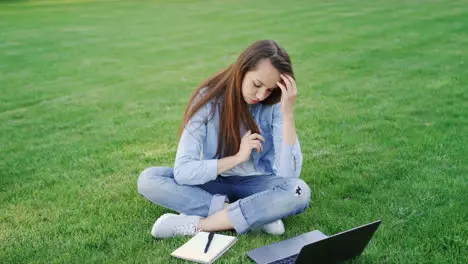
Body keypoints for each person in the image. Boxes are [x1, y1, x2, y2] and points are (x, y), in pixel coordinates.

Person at [137, 40, 311, 239]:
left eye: (270, 90)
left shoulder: (275, 106)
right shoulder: (208, 99)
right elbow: (183, 171)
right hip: (215, 182)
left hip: (256, 184)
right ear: (242, 70)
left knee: (299, 191)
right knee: (149, 179)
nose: (262, 95)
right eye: (257, 84)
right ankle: (258, 213)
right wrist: (237, 158)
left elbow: (288, 176)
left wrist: (287, 115)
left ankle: (201, 224)